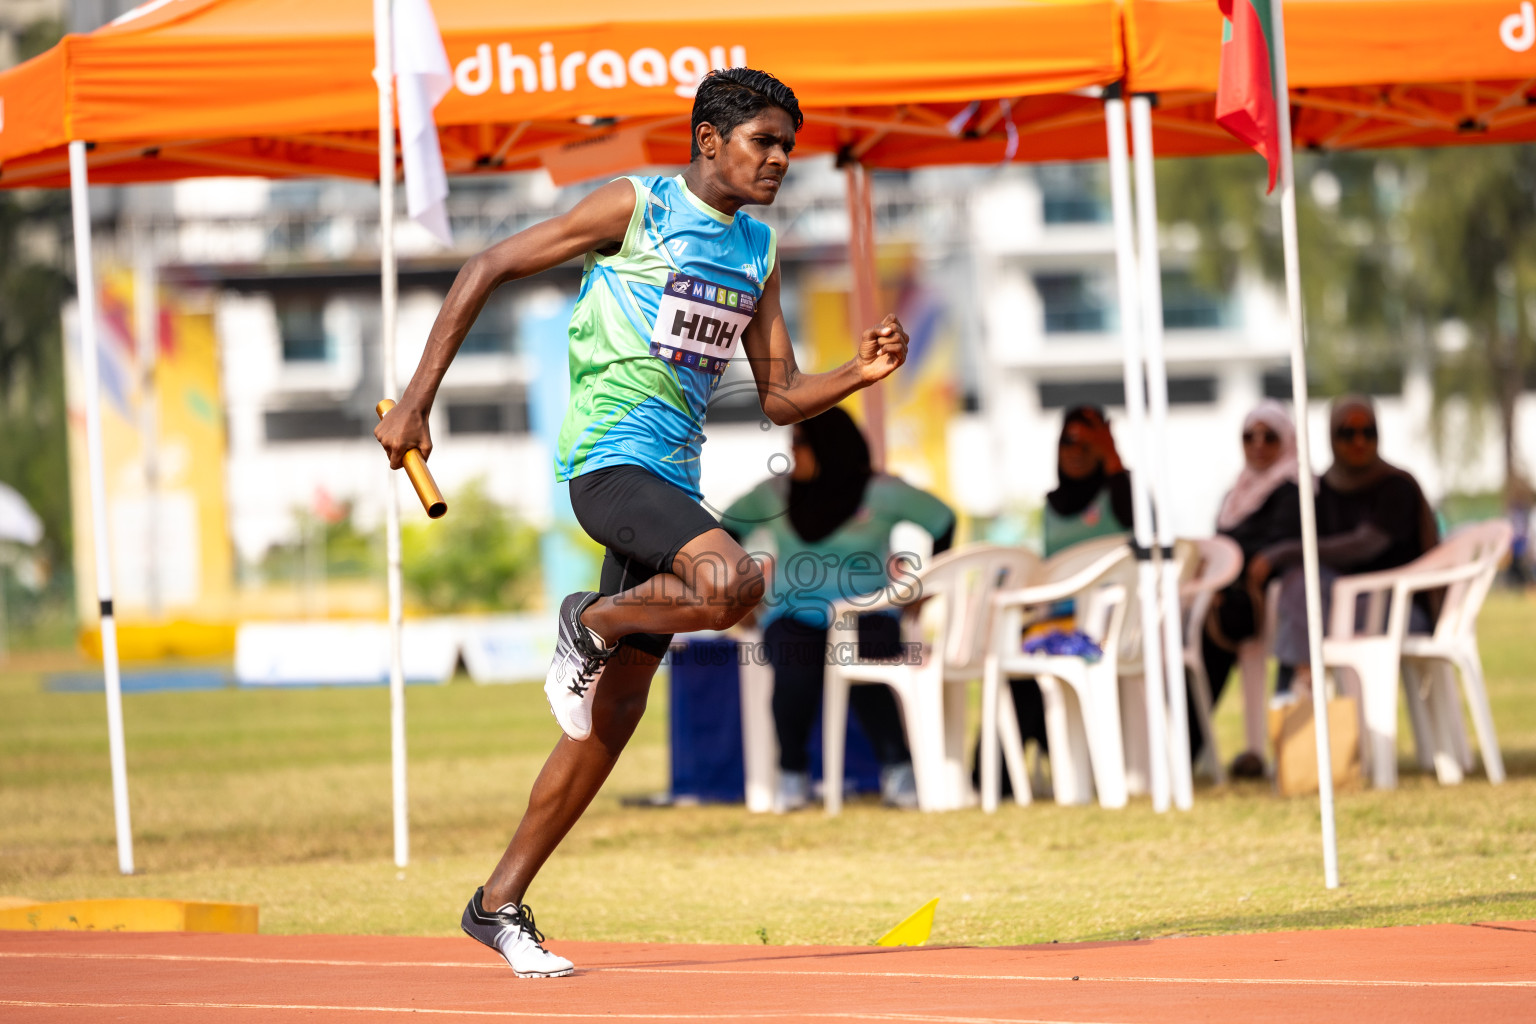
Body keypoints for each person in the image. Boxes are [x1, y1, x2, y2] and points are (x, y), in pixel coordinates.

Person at [375, 68, 910, 978]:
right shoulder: (639, 207)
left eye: (789, 145)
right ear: (710, 140)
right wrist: (418, 401)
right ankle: (589, 621)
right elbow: (487, 264)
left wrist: (856, 375)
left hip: (672, 478)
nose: (781, 159)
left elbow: (780, 395)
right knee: (735, 581)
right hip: (609, 464)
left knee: (613, 716)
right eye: (763, 143)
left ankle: (497, 903)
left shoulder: (756, 250)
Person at [721, 407, 956, 812]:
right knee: (795, 676)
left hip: (869, 610)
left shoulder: (882, 490)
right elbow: (726, 531)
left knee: (870, 664)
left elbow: (943, 520)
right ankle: (792, 774)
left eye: (800, 443)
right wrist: (743, 591)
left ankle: (898, 772)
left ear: (831, 447)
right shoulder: (775, 493)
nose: (792, 452)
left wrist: (924, 588)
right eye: (790, 443)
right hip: (792, 612)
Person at [985, 405, 1134, 795]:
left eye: (1088, 442)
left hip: (1112, 623)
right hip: (1057, 622)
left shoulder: (1122, 491)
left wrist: (1114, 456)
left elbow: (1139, 526)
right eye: (1068, 441)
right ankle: (997, 776)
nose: (1076, 450)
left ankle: (1072, 767)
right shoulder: (1053, 504)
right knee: (1014, 663)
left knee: (1034, 665)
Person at [1257, 395, 1439, 695]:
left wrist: (1282, 553)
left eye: (1368, 432)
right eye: (1347, 433)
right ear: (1331, 437)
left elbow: (1364, 545)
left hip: (1398, 609)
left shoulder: (1397, 486)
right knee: (1297, 586)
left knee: (1302, 593)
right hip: (1342, 605)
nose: (1359, 441)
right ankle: (1302, 685)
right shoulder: (1323, 488)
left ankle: (1299, 689)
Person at [1194, 400, 1301, 777]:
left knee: (1251, 647)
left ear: (1286, 439)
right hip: (1232, 601)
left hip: (1274, 601)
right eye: (1249, 436)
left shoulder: (1295, 488)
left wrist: (1258, 563)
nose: (1258, 444)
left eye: (1269, 436)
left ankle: (1268, 749)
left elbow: (1287, 540)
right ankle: (1195, 743)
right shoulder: (1235, 493)